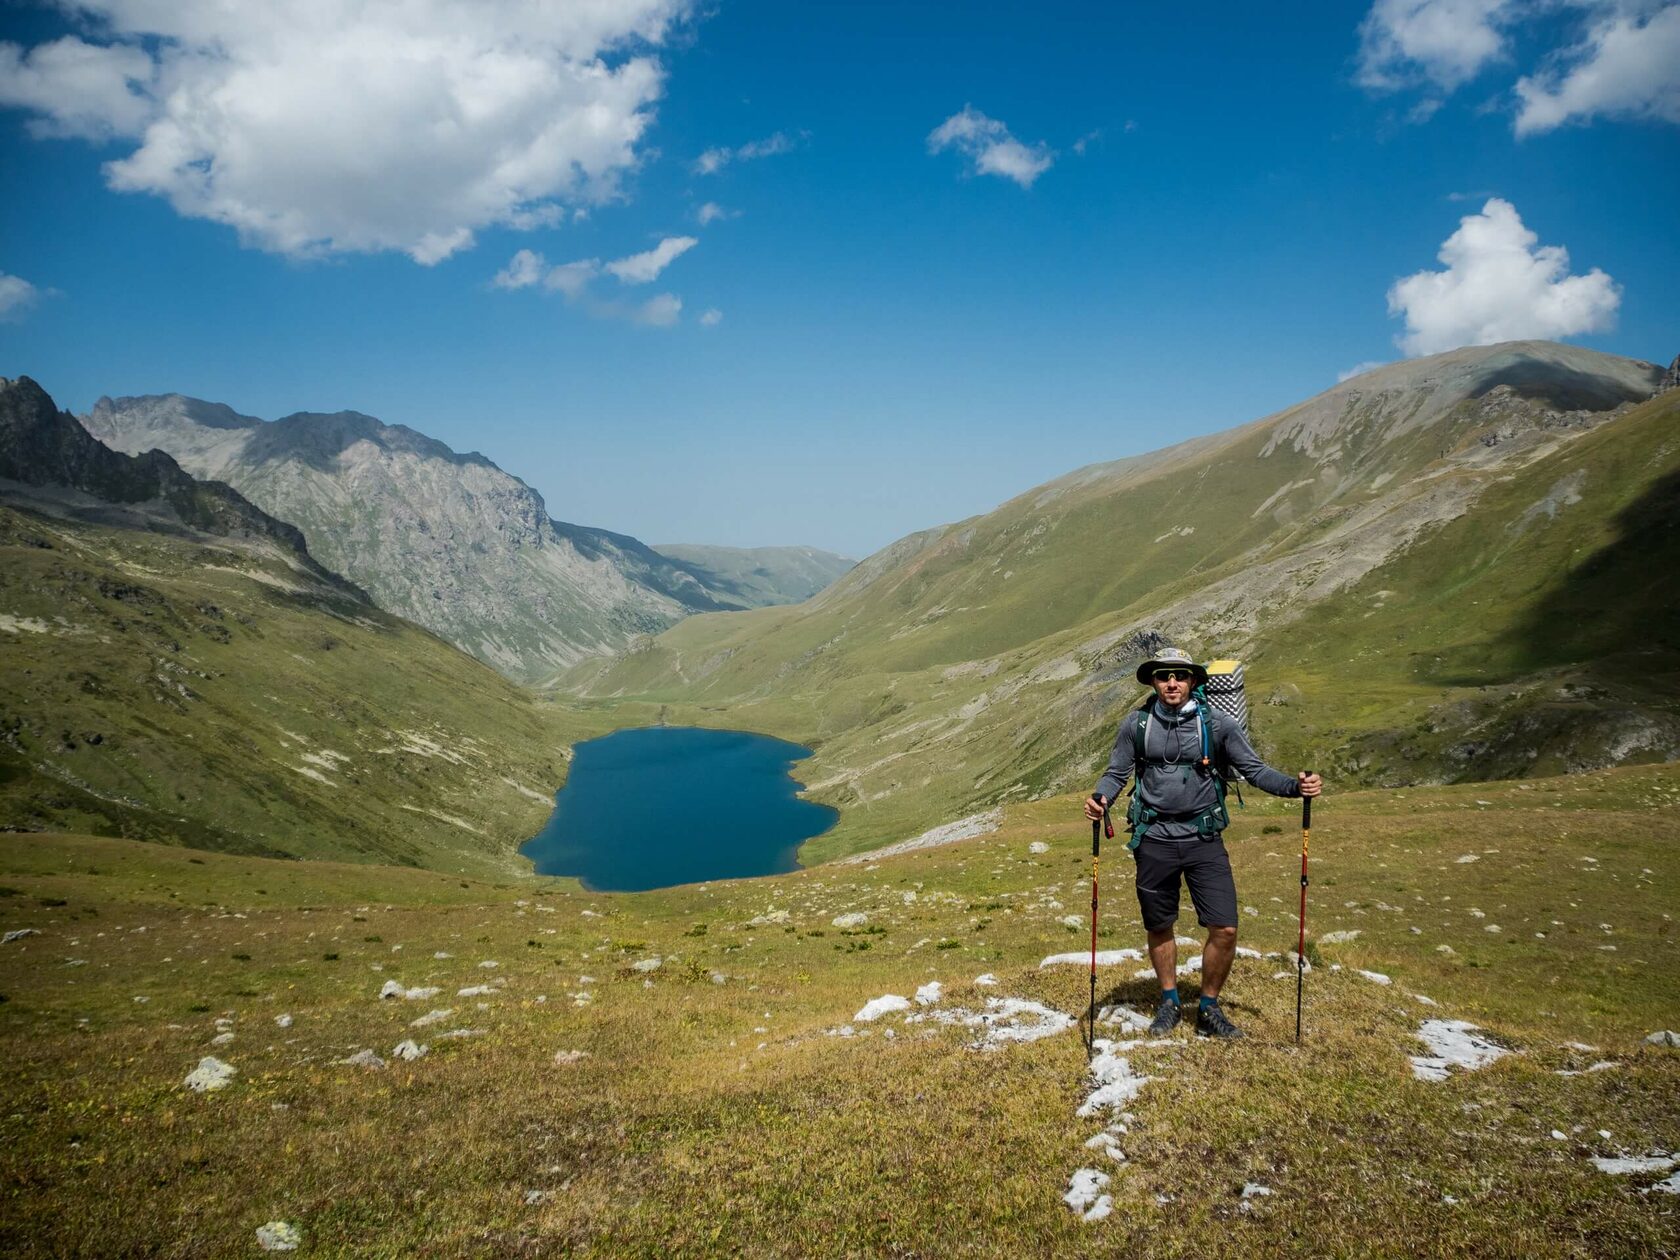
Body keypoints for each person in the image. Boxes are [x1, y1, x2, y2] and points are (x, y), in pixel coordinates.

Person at [1083, 647, 1322, 1039]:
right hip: (1153, 837)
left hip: (1203, 837)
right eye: (1163, 676)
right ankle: (1169, 1000)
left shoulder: (1218, 724)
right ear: (1154, 681)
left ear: (1193, 680)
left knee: (1225, 927)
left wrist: (1297, 788)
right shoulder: (1136, 724)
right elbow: (1116, 772)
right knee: (1160, 925)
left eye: (1179, 675)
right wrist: (1101, 797)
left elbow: (1255, 769)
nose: (1171, 683)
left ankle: (1208, 1006)